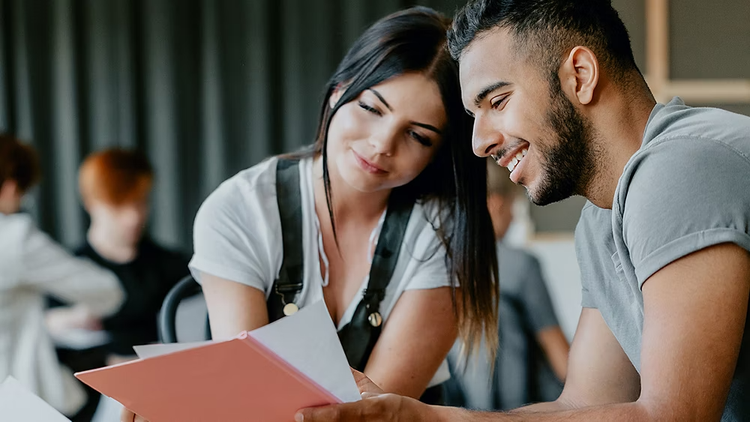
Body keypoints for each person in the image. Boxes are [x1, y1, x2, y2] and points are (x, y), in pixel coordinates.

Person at [296, 0, 750, 421]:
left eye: (497, 101)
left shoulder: (680, 165)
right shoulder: (600, 219)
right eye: (474, 116)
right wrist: (416, 414)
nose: (478, 143)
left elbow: (673, 416)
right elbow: (582, 404)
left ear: (581, 74)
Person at [122, 6, 499, 422]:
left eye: (416, 135)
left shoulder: (444, 229)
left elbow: (375, 415)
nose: (381, 144)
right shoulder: (240, 210)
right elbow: (252, 397)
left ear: (439, 153)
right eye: (372, 108)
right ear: (338, 90)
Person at [47, 148, 189, 420]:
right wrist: (58, 322)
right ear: (91, 203)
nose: (133, 217)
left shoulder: (173, 267)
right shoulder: (62, 274)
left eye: (140, 202)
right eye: (118, 205)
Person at [0, 133, 123, 418]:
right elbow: (107, 291)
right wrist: (80, 315)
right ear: (10, 188)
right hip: (16, 402)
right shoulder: (13, 238)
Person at [445, 160, 569, 411]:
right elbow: (562, 359)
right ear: (496, 204)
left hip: (465, 411)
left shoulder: (443, 266)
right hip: (527, 411)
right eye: (513, 207)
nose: (513, 218)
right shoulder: (522, 264)